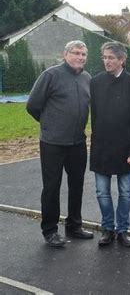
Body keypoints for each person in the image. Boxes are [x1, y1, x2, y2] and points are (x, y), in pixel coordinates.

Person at [26, 40, 94, 247]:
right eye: (75, 53)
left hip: (77, 142)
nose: (80, 57)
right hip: (52, 143)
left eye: (83, 54)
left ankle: (74, 225)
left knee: (77, 185)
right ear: (65, 55)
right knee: (52, 187)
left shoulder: (86, 78)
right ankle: (50, 230)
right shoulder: (50, 75)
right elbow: (33, 106)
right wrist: (50, 125)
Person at [90, 42, 130, 247]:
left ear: (122, 60)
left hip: (126, 150)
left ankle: (122, 230)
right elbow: (95, 118)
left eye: (111, 58)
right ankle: (107, 229)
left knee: (125, 192)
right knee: (102, 192)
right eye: (104, 57)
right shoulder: (95, 83)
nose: (106, 61)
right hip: (101, 149)